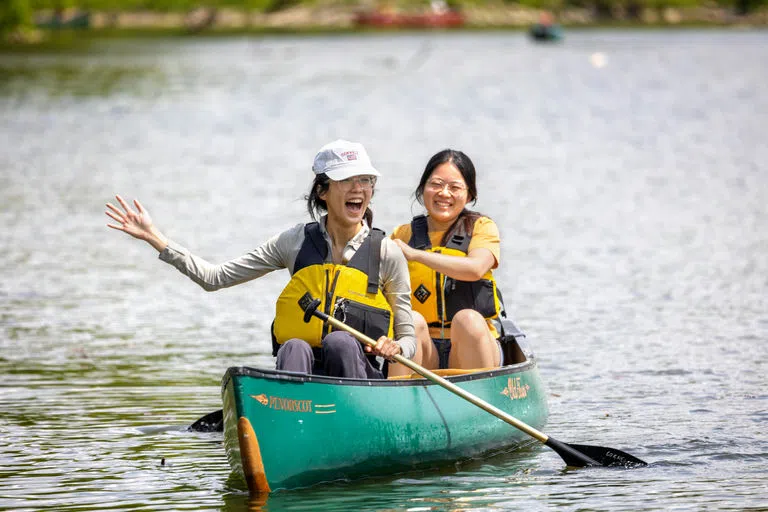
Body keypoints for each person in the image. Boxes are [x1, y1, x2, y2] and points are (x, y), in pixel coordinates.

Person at [105, 139, 416, 379]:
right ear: (322, 191)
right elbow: (215, 278)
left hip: (359, 379)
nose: (359, 189)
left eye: (366, 180)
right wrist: (154, 238)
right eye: (347, 180)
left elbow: (408, 338)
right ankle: (291, 424)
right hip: (304, 379)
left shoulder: (386, 252)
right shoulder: (294, 242)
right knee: (294, 346)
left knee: (341, 343)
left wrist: (396, 347)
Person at [387, 149, 505, 375]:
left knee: (468, 319)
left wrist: (416, 255)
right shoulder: (402, 234)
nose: (444, 193)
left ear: (469, 195)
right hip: (424, 347)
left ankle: (479, 396)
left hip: (473, 345)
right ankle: (396, 402)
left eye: (454, 187)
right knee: (410, 319)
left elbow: (475, 269)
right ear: (423, 189)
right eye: (436, 184)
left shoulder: (482, 227)